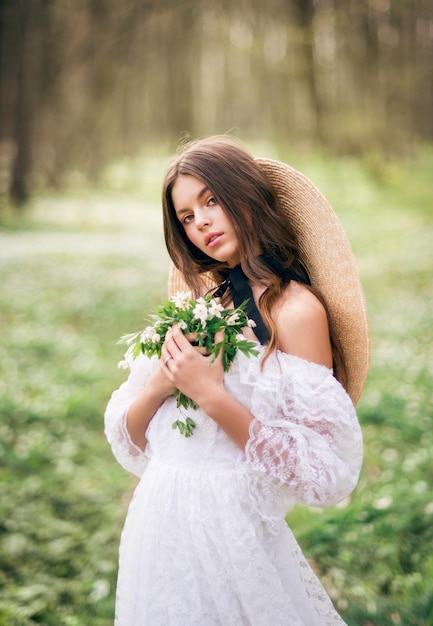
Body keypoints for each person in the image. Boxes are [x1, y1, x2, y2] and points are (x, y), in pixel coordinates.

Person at [104, 136, 369, 625]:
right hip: (157, 525)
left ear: (247, 199)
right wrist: (162, 384)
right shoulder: (198, 308)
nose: (200, 221)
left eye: (211, 200)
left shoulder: (296, 312)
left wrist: (209, 393)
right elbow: (129, 434)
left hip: (230, 534)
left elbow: (321, 470)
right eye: (186, 216)